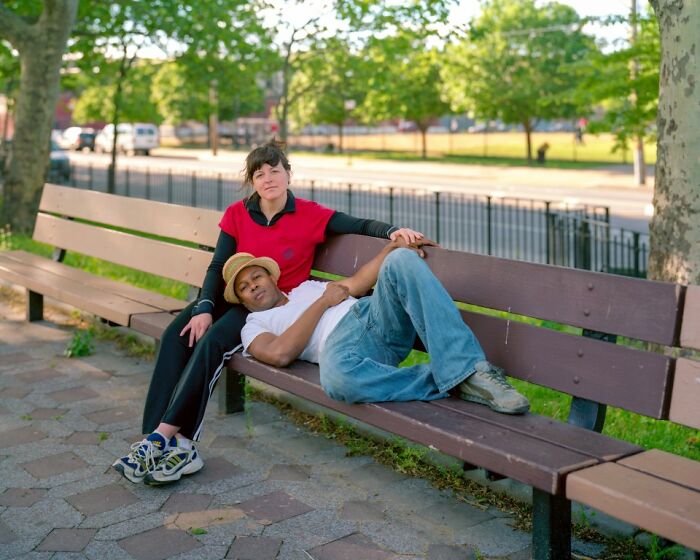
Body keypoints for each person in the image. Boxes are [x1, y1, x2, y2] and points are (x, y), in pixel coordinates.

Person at [112, 140, 424, 486]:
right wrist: (204, 307)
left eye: (275, 170)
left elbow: (358, 224)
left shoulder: (310, 214)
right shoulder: (238, 213)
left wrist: (392, 231)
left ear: (288, 175)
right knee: (177, 334)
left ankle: (180, 443)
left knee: (213, 342)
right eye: (259, 174)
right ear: (252, 182)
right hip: (232, 293)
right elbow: (218, 267)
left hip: (267, 304)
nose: (268, 178)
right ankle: (153, 440)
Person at [229, 240, 530, 414]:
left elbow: (359, 283)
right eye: (243, 287)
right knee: (337, 381)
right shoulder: (255, 323)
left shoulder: (305, 288)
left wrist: (391, 247)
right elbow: (280, 354)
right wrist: (322, 303)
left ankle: (473, 372)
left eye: (256, 277)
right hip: (344, 352)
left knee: (400, 259)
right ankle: (457, 377)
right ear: (242, 300)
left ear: (272, 278)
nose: (253, 286)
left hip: (373, 317)